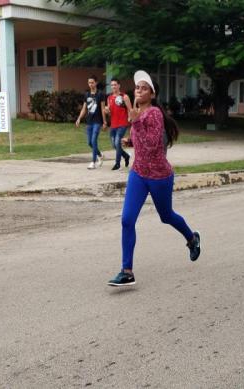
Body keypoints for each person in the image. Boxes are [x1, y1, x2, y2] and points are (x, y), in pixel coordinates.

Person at [107, 70, 201, 287]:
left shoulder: (154, 114)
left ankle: (192, 238)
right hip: (139, 174)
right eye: (137, 87)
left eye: (144, 88)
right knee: (127, 220)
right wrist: (130, 143)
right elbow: (142, 143)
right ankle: (127, 271)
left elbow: (152, 144)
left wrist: (133, 120)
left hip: (160, 176)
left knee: (166, 216)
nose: (139, 90)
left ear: (152, 94)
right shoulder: (138, 114)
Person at [75, 75, 107, 169]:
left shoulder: (101, 94)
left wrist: (104, 122)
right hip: (89, 121)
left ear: (96, 83)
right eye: (89, 83)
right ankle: (100, 155)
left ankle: (93, 162)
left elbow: (102, 109)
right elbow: (84, 109)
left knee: (93, 141)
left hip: (97, 121)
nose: (90, 84)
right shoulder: (87, 94)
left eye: (92, 82)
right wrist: (79, 118)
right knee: (89, 142)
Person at [104, 78, 132, 170]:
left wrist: (129, 117)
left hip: (122, 124)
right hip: (113, 124)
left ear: (119, 85)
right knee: (114, 145)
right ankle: (126, 156)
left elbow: (130, 109)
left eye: (115, 84)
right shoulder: (109, 98)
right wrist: (106, 111)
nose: (113, 87)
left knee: (117, 142)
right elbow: (109, 111)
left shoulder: (124, 96)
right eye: (112, 85)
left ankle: (117, 164)